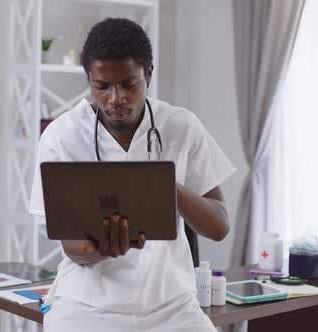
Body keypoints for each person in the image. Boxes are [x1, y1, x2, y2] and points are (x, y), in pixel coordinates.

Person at [29, 17, 236, 332]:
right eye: (102, 86)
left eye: (129, 84)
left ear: (148, 74)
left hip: (172, 308)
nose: (116, 98)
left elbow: (219, 225)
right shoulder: (62, 137)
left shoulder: (181, 126)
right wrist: (99, 247)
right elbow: (71, 247)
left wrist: (170, 189)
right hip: (86, 308)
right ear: (89, 80)